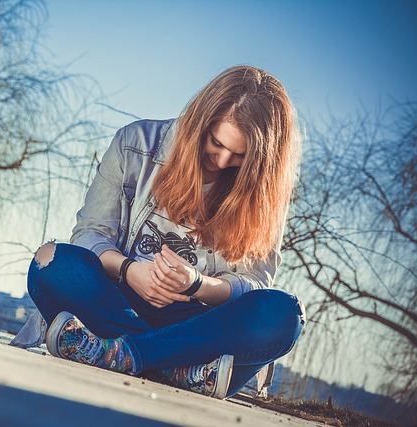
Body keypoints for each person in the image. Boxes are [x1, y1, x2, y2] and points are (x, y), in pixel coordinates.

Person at [25, 65, 305, 399]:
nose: (222, 159)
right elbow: (90, 234)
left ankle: (118, 353)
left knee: (286, 315)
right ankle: (177, 370)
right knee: (51, 262)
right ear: (201, 120)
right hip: (117, 301)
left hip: (198, 327)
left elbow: (256, 281)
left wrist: (199, 285)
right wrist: (130, 271)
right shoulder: (136, 144)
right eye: (216, 143)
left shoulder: (266, 193)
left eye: (239, 156)